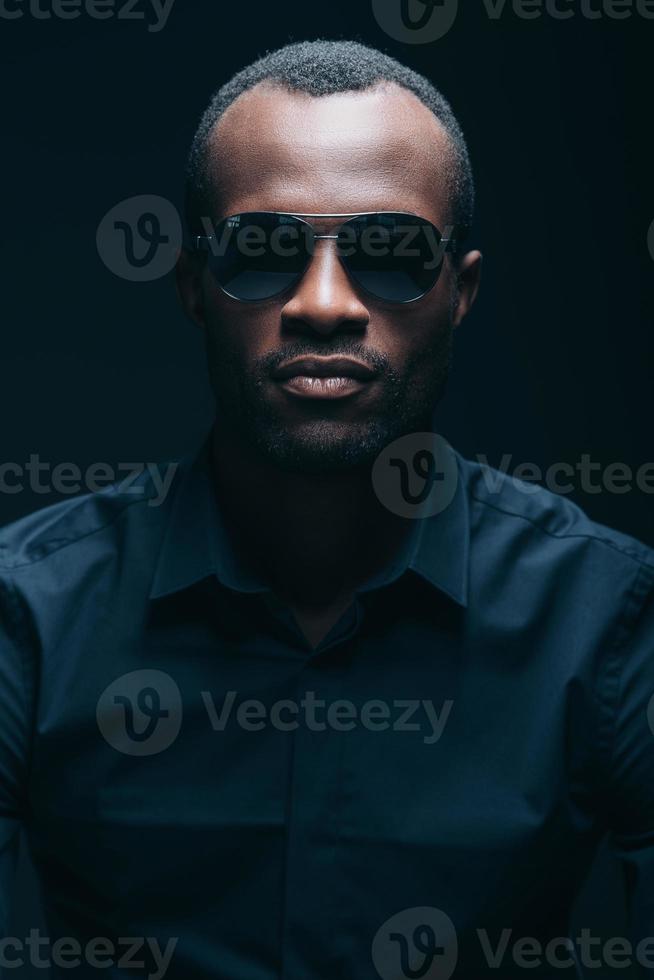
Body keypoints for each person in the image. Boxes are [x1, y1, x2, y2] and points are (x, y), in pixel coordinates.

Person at [0, 39, 652, 980]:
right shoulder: (30, 617)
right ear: (191, 288)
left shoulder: (609, 622)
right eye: (262, 253)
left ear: (461, 292)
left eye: (391, 254)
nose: (323, 302)